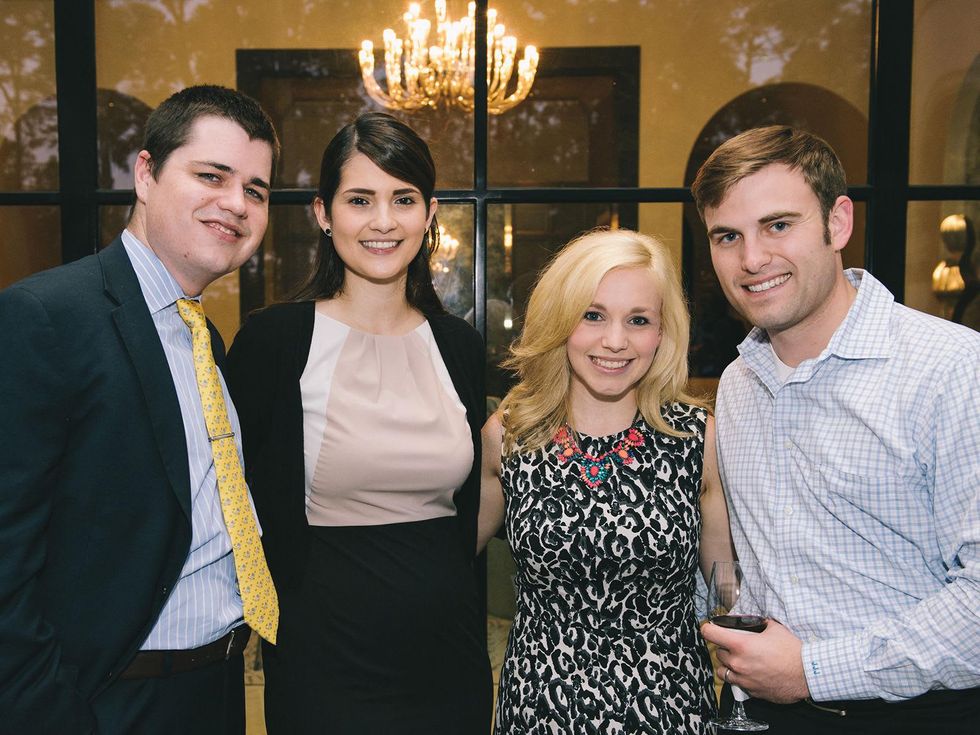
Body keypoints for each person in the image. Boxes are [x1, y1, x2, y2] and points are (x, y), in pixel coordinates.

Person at [0, 84, 280, 735]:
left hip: (216, 690)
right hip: (110, 701)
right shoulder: (47, 317)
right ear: (147, 174)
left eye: (257, 190)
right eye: (211, 175)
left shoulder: (203, 336)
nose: (236, 203)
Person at [692, 125, 980, 733]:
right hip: (760, 713)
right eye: (728, 236)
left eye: (778, 225)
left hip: (911, 715)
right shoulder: (741, 382)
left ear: (838, 223)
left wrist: (815, 669)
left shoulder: (952, 368)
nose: (752, 259)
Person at [224, 112, 492, 734]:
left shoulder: (459, 345)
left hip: (447, 658)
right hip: (322, 660)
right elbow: (230, 500)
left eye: (404, 199)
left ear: (429, 215)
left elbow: (472, 506)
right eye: (360, 199)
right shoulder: (274, 341)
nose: (383, 221)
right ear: (323, 213)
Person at [478, 228, 734, 734]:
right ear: (559, 320)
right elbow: (441, 564)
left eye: (638, 320)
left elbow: (729, 587)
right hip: (539, 713)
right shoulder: (509, 438)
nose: (615, 341)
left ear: (662, 333)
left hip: (670, 714)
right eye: (592, 315)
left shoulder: (696, 440)